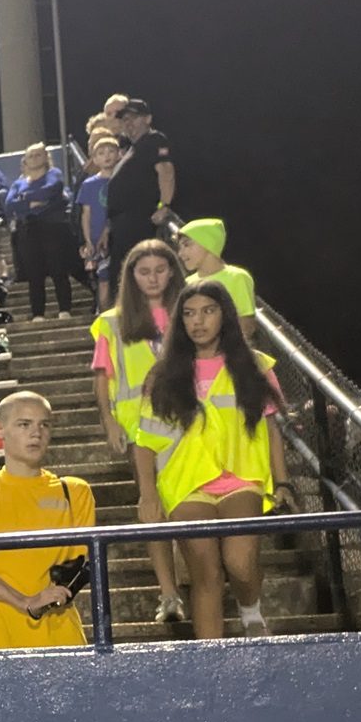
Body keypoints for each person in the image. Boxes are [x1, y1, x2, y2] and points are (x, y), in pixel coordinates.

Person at [136, 280, 291, 640]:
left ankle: (251, 611)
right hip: (186, 481)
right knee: (204, 571)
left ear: (225, 316)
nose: (198, 321)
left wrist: (282, 482)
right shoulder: (163, 375)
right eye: (189, 314)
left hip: (242, 476)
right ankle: (212, 665)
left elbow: (270, 428)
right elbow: (145, 442)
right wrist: (148, 494)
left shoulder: (254, 366)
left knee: (239, 562)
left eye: (208, 311)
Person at [0, 391, 96, 649]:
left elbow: (79, 566)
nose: (36, 433)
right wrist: (25, 601)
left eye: (44, 424)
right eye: (24, 424)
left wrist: (41, 599)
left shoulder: (75, 492)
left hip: (59, 637)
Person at [91, 240, 188, 624]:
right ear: (130, 276)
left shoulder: (189, 311)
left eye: (160, 270)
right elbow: (102, 376)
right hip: (139, 427)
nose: (152, 278)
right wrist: (109, 422)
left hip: (190, 421)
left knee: (187, 507)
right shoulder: (112, 321)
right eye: (143, 271)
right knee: (153, 505)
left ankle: (194, 581)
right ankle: (168, 594)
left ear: (173, 271)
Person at [3, 143, 79, 320]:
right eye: (31, 156)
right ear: (25, 161)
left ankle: (64, 309)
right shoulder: (18, 182)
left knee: (57, 268)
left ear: (46, 157)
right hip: (29, 230)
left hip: (53, 227)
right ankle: (38, 312)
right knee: (34, 272)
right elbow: (9, 205)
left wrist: (24, 200)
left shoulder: (54, 174)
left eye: (39, 155)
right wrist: (32, 203)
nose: (35, 158)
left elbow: (51, 190)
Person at [103, 98, 175, 268]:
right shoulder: (130, 149)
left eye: (133, 118)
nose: (128, 123)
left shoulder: (154, 139)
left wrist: (165, 205)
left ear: (148, 119)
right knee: (122, 274)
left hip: (139, 220)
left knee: (138, 268)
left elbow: (166, 172)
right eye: (125, 119)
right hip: (121, 224)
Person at [174, 218, 258, 339]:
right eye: (180, 247)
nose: (180, 253)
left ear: (208, 242)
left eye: (187, 245)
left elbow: (246, 326)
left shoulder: (237, 277)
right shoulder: (187, 283)